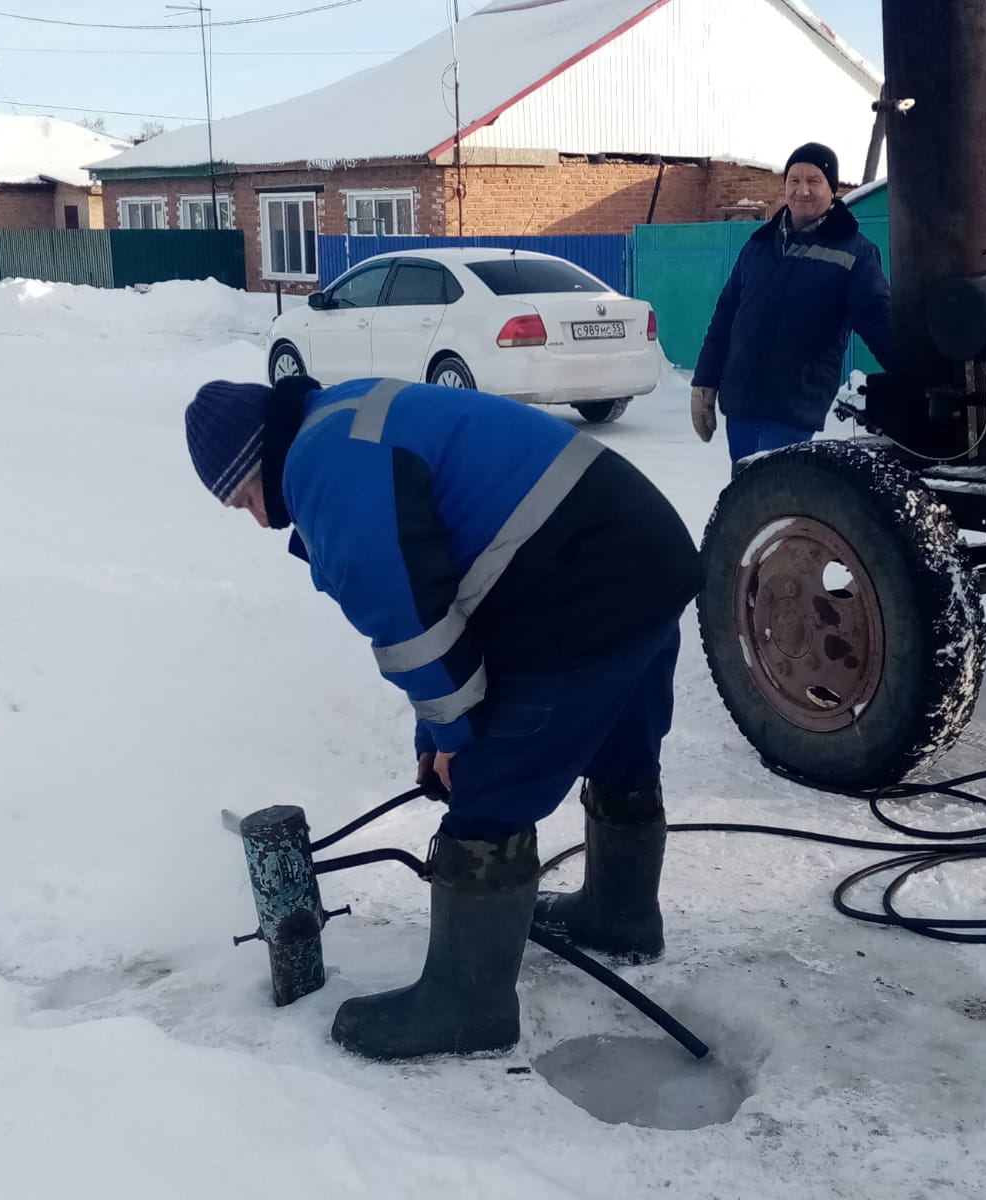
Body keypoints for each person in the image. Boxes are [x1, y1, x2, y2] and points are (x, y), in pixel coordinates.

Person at [184, 372, 701, 1061]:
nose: (255, 517)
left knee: (490, 786)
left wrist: (458, 738)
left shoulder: (323, 469)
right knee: (617, 740)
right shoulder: (344, 415)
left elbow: (412, 623)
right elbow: (450, 591)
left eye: (244, 497)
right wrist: (434, 731)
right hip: (639, 550)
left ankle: (468, 1008)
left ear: (257, 460)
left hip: (582, 580)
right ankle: (621, 913)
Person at [690, 141, 894, 473]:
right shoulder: (758, 246)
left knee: (774, 498)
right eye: (794, 180)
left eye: (814, 181)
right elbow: (725, 317)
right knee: (743, 501)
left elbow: (878, 320)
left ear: (832, 189)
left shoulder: (855, 251)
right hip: (741, 402)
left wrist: (916, 373)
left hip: (793, 406)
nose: (803, 191)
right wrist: (705, 382)